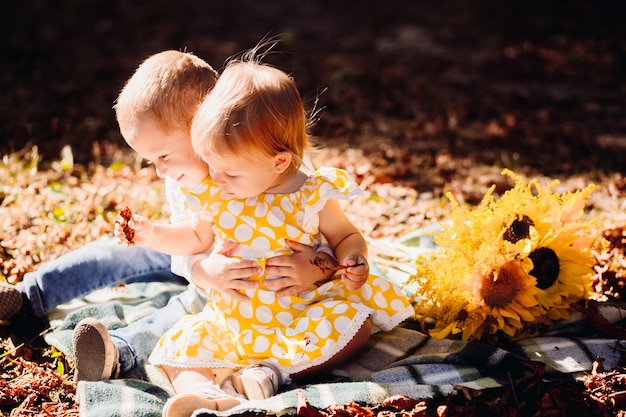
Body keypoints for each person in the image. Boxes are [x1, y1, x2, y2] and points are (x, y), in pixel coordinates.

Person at [0, 49, 338, 383]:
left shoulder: (262, 159)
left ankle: (118, 351)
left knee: (183, 313)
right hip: (197, 261)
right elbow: (188, 243)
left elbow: (317, 228)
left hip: (237, 282)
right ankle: (30, 296)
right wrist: (158, 239)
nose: (160, 171)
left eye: (164, 155)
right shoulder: (182, 182)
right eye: (151, 161)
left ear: (203, 124)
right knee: (116, 254)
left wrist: (317, 262)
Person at [119, 55, 415, 416]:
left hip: (300, 312)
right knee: (181, 346)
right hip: (235, 318)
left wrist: (352, 260)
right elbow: (193, 239)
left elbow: (346, 237)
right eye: (213, 167)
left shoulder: (309, 196)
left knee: (354, 326)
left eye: (228, 172)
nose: (218, 180)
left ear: (278, 163)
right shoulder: (216, 193)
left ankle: (270, 374)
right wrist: (152, 234)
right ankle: (205, 395)